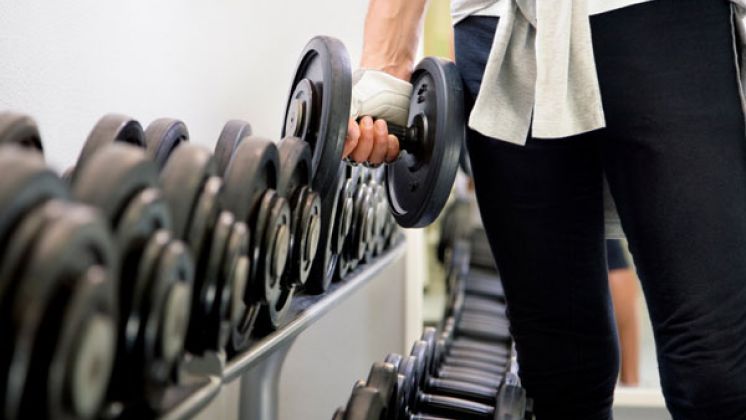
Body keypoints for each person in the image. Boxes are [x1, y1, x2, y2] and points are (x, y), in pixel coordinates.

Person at [344, 0, 746, 418]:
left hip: (662, 20)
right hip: (502, 28)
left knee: (718, 376)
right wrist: (387, 55)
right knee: (559, 371)